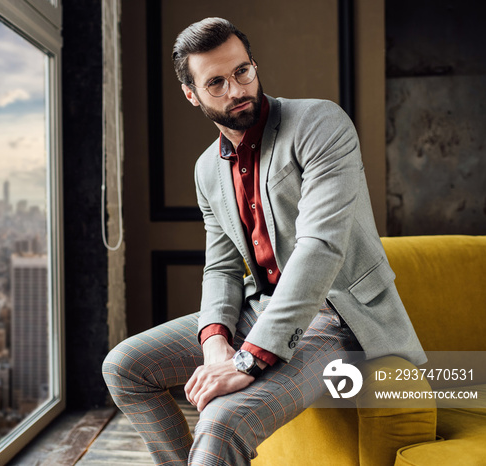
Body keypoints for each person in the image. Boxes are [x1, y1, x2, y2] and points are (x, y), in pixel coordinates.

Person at [102, 17, 426, 466]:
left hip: (338, 317)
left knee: (220, 425)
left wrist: (247, 361)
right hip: (260, 308)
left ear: (253, 65)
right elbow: (220, 266)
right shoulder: (205, 169)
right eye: (215, 82)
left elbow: (319, 246)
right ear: (191, 95)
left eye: (242, 72)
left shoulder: (320, 123)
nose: (236, 90)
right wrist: (215, 340)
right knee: (123, 367)